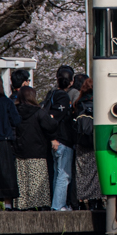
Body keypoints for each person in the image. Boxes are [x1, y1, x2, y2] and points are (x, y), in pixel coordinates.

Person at [41, 65, 76, 211]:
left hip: (55, 141)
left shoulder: (51, 94)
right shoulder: (63, 97)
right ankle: (58, 205)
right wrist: (54, 138)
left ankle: (56, 204)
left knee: (58, 173)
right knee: (64, 175)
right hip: (62, 140)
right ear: (72, 82)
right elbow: (54, 119)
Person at [13, 87, 50, 210]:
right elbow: (51, 125)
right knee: (37, 179)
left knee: (22, 180)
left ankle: (22, 204)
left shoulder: (15, 111)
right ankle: (39, 204)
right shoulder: (39, 112)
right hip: (37, 150)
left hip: (19, 150)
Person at [0, 74, 21, 209]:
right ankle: (8, 203)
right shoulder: (7, 102)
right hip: (5, 140)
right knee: (7, 172)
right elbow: (16, 120)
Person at [72, 77, 100, 207]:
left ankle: (82, 200)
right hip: (95, 140)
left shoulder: (78, 102)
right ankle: (96, 200)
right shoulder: (100, 101)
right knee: (95, 172)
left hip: (81, 141)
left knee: (82, 172)